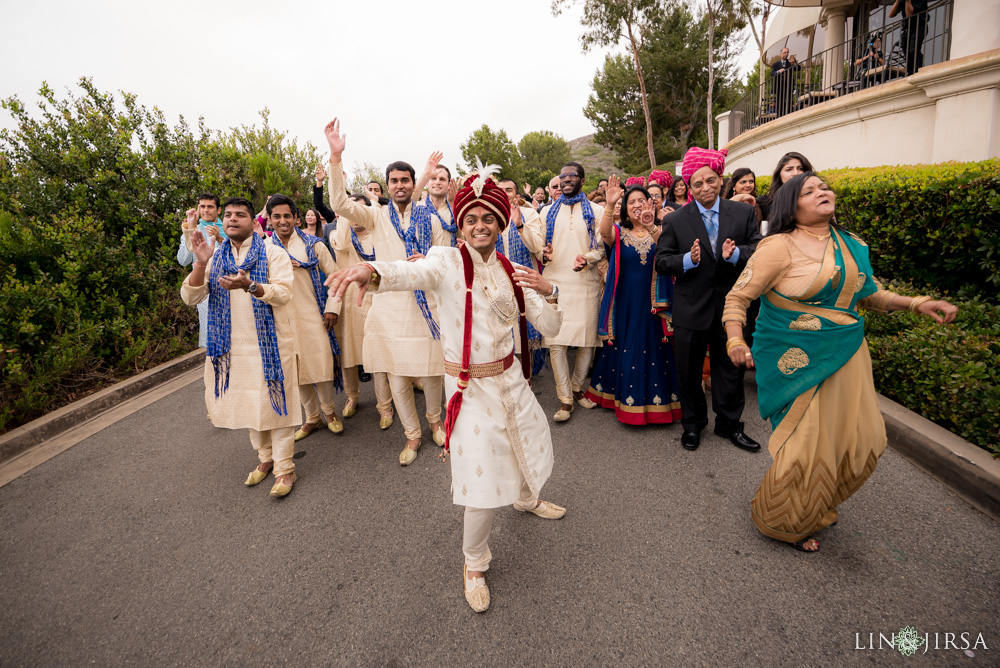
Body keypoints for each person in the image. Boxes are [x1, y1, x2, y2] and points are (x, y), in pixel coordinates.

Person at [325, 165, 566, 613]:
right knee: (481, 485)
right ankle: (474, 563)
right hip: (470, 391)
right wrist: (370, 273)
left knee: (528, 446)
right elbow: (406, 273)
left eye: (488, 218)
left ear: (500, 223)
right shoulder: (446, 262)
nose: (479, 226)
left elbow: (550, 325)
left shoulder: (514, 272)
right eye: (471, 218)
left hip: (512, 381)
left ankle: (527, 499)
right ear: (461, 223)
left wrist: (549, 290)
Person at [722, 172, 957, 552]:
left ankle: (818, 503)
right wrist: (735, 339)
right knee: (807, 447)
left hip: (847, 355)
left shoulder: (851, 245)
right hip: (796, 359)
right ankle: (785, 521)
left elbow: (871, 295)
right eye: (809, 191)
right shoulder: (777, 247)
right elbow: (738, 299)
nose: (822, 192)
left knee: (863, 440)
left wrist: (917, 303)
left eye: (824, 187)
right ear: (790, 205)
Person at [323, 118, 449, 465]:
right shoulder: (375, 216)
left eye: (404, 180)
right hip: (389, 305)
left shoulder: (433, 219)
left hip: (427, 305)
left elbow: (445, 257)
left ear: (413, 184)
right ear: (388, 186)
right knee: (396, 375)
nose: (398, 185)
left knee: (432, 369)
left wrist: (429, 257)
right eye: (393, 180)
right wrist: (336, 159)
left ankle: (436, 421)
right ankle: (411, 435)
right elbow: (339, 203)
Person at [181, 197, 300, 497]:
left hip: (272, 344)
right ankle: (265, 459)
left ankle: (285, 468)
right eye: (229, 215)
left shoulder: (273, 253)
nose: (233, 219)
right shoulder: (216, 256)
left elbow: (284, 294)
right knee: (251, 402)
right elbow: (191, 296)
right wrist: (200, 261)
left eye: (241, 215)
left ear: (254, 222)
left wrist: (250, 285)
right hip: (233, 348)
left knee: (278, 405)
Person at [653, 147, 762, 452]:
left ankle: (729, 425)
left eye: (710, 180)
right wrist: (687, 259)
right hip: (691, 308)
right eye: (697, 183)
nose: (705, 187)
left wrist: (736, 253)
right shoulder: (676, 220)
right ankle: (693, 425)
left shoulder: (741, 213)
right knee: (688, 371)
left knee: (730, 369)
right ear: (689, 187)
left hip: (731, 308)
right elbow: (662, 261)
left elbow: (760, 250)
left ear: (720, 180)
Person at [584, 175, 682, 425]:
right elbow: (604, 233)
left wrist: (650, 225)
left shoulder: (660, 229)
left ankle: (657, 403)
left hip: (653, 303)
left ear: (651, 204)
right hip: (625, 301)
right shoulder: (619, 230)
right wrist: (609, 205)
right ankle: (622, 400)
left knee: (653, 345)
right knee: (626, 344)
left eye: (642, 200)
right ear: (625, 208)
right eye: (631, 202)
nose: (637, 205)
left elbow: (667, 248)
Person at [265, 194, 345, 441]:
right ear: (269, 220)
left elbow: (335, 276)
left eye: (287, 216)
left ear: (296, 218)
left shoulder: (313, 245)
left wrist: (332, 308)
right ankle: (312, 418)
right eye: (276, 216)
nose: (282, 221)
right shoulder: (263, 249)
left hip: (313, 314)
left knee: (320, 364)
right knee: (296, 371)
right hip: (280, 320)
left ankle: (330, 413)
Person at [540, 161, 606, 421]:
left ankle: (578, 388)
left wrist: (588, 258)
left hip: (585, 281)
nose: (566, 179)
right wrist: (541, 253)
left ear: (582, 179)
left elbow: (602, 247)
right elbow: (538, 245)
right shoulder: (546, 212)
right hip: (554, 280)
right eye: (562, 175)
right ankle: (565, 398)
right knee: (556, 340)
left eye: (572, 175)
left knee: (586, 340)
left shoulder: (597, 211)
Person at [330, 191, 394, 424]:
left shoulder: (379, 236)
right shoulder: (340, 236)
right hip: (351, 304)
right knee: (349, 355)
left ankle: (385, 406)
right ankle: (352, 397)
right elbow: (341, 243)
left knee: (377, 355)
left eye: (359, 211)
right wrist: (346, 210)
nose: (355, 215)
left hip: (378, 299)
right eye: (350, 211)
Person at [497, 178, 547, 371]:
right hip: (497, 283)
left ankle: (524, 379)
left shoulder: (529, 214)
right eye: (499, 190)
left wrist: (519, 225)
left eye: (508, 190)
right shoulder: (489, 215)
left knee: (523, 337)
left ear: (517, 195)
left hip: (524, 282)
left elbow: (536, 246)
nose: (504, 193)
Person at [178, 194, 225, 348]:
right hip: (204, 288)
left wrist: (219, 238)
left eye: (210, 206)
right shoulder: (192, 229)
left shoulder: (227, 228)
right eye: (202, 206)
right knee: (208, 332)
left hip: (227, 286)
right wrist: (190, 230)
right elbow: (183, 260)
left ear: (218, 210)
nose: (206, 210)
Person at [757, 152, 815, 226]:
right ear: (779, 174)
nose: (796, 173)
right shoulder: (765, 202)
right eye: (789, 169)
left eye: (800, 169)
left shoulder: (816, 198)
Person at [424, 162, 459, 246]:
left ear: (448, 184)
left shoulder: (457, 209)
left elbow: (463, 237)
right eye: (433, 178)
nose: (437, 182)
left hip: (452, 257)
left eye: (442, 179)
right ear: (427, 183)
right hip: (425, 258)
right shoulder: (418, 207)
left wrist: (453, 204)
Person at [891, 0, 929, 76]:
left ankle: (918, 70)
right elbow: (891, 14)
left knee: (913, 50)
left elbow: (909, 14)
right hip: (907, 29)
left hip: (919, 27)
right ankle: (910, 72)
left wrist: (908, 1)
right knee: (906, 51)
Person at [771, 47, 794, 117]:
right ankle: (780, 118)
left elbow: (798, 68)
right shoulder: (775, 65)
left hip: (788, 87)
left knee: (789, 103)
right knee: (779, 103)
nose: (786, 54)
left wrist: (794, 64)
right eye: (784, 52)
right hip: (779, 87)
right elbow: (772, 73)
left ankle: (789, 117)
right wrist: (778, 71)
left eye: (787, 52)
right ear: (780, 54)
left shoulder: (790, 63)